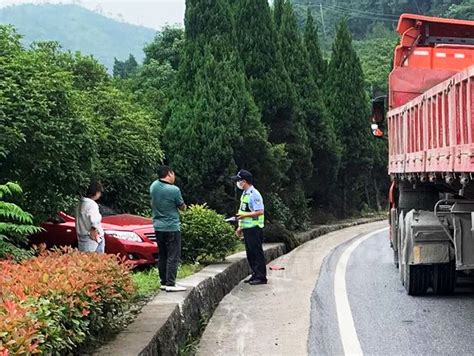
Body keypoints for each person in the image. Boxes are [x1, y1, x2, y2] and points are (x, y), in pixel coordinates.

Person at [150, 165, 187, 292]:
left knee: (163, 255)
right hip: (171, 226)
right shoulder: (174, 190)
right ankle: (171, 284)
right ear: (169, 174)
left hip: (158, 226)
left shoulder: (153, 186)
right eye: (173, 174)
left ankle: (163, 282)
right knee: (173, 255)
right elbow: (182, 206)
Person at [231, 169, 267, 285]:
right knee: (250, 253)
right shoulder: (245, 194)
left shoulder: (254, 194)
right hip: (247, 228)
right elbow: (243, 210)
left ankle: (261, 277)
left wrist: (244, 215)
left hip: (254, 228)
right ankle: (254, 274)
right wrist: (240, 227)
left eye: (239, 181)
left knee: (256, 252)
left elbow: (260, 211)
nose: (238, 183)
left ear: (244, 181)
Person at [76, 181, 105, 253]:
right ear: (95, 192)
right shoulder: (92, 204)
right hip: (92, 238)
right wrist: (94, 229)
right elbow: (95, 220)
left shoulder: (79, 203)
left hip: (82, 236)